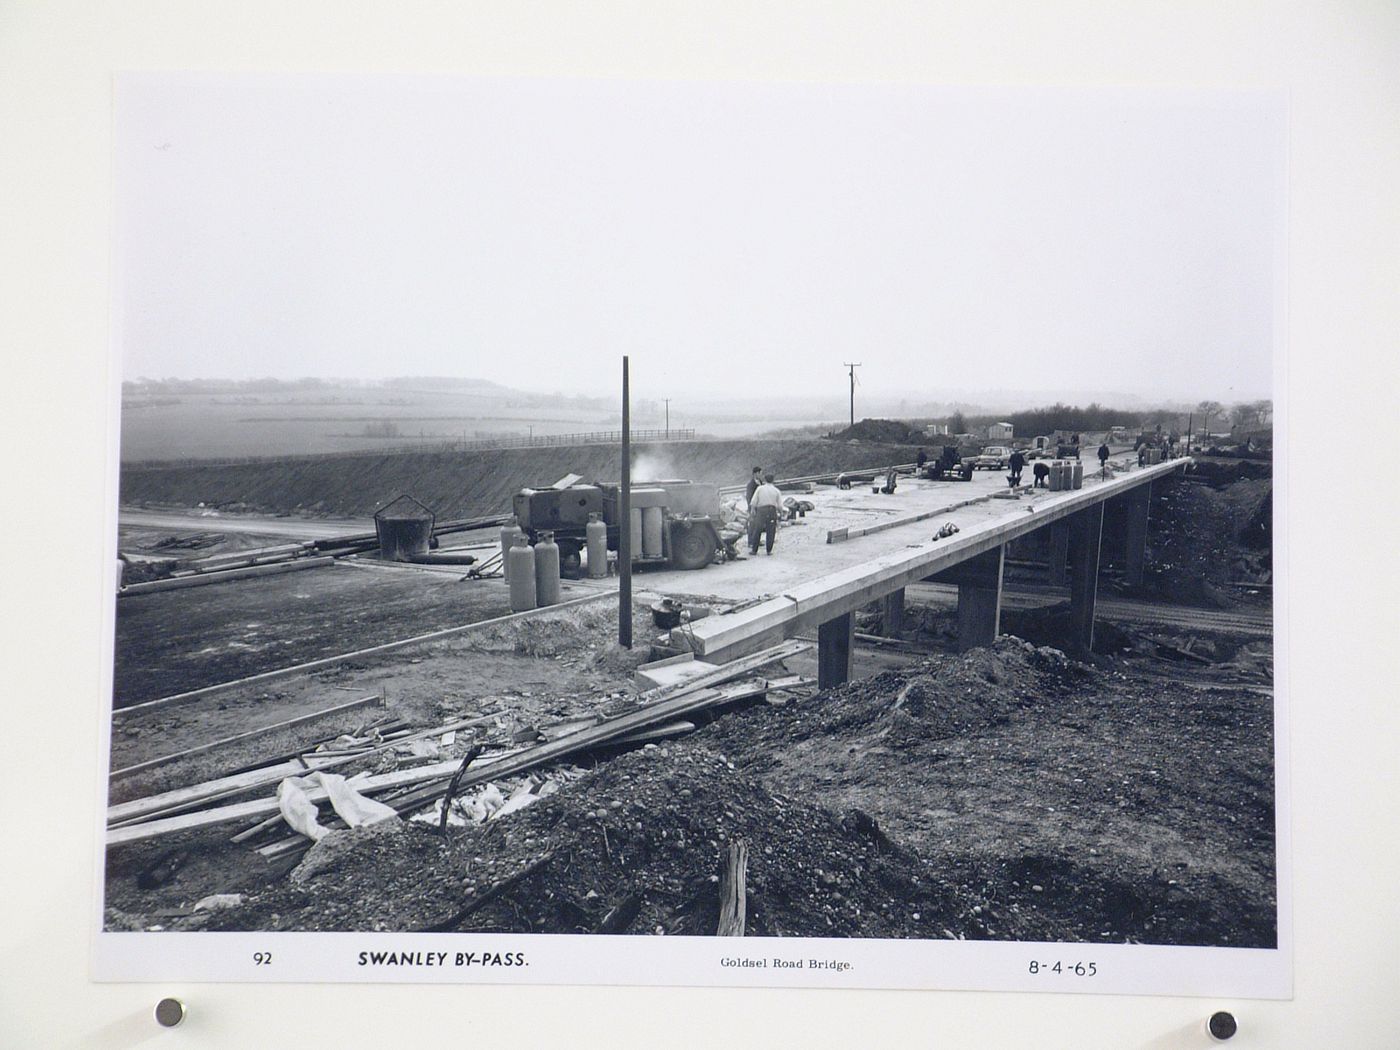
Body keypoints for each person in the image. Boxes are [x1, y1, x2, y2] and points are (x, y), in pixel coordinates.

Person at [749, 473, 783, 555]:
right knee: (771, 531)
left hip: (761, 511)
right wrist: (780, 514)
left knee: (757, 530)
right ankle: (769, 550)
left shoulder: (760, 488)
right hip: (772, 511)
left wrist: (753, 510)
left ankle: (754, 550)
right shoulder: (776, 490)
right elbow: (780, 505)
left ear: (765, 480)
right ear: (773, 480)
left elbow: (754, 501)